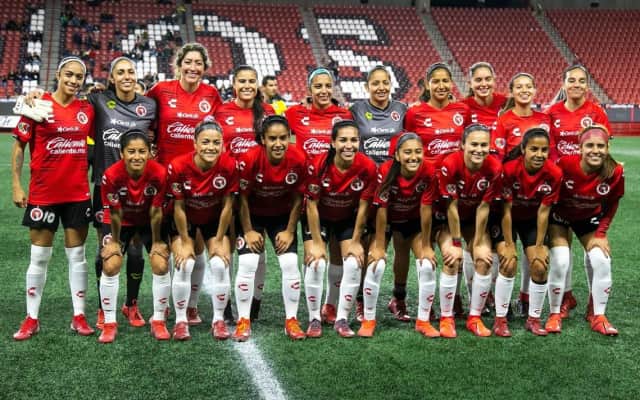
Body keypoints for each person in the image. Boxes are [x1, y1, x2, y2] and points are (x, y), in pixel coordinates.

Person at [13, 57, 96, 340]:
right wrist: (16, 185)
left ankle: (79, 316)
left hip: (77, 194)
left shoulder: (86, 109)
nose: (73, 80)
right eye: (69, 75)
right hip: (43, 194)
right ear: (58, 74)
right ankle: (31, 318)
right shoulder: (38, 104)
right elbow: (19, 147)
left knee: (78, 257)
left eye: (79, 77)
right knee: (39, 257)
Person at [147, 43, 223, 325]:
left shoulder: (211, 94)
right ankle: (164, 304)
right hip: (165, 180)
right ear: (178, 65)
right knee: (166, 246)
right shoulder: (160, 90)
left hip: (198, 183)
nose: (193, 67)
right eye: (188, 62)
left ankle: (190, 305)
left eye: (198, 63)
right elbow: (139, 112)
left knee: (197, 247)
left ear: (205, 67)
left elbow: (221, 131)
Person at [403, 62, 471, 319]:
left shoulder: (462, 110)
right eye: (436, 81)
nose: (441, 86)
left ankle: (454, 297)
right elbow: (408, 148)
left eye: (445, 81)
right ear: (427, 84)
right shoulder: (415, 113)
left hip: (453, 188)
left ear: (451, 83)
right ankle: (427, 302)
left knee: (453, 241)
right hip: (424, 187)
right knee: (426, 244)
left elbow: (467, 146)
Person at [285, 67, 352, 326]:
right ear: (309, 89)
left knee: (337, 252)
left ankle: (330, 304)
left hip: (338, 194)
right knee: (314, 254)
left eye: (327, 86)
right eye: (318, 86)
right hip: (309, 195)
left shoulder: (344, 115)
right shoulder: (295, 114)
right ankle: (312, 309)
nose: (323, 91)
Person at [233, 115, 307, 341]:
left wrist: (290, 231)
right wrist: (248, 230)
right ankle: (243, 320)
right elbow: (241, 199)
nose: (278, 143)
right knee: (248, 262)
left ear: (289, 138)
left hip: (281, 217)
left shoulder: (298, 158)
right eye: (272, 138)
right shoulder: (249, 159)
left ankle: (291, 320)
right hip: (252, 216)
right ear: (263, 139)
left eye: (283, 138)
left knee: (290, 263)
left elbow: (299, 198)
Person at [546, 65, 612, 318]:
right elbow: (549, 151)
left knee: (593, 246)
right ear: (563, 84)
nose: (576, 84)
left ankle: (595, 304)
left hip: (588, 193)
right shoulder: (552, 112)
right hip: (561, 190)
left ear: (587, 85)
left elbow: (603, 152)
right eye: (571, 80)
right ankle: (567, 296)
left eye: (581, 81)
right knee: (562, 250)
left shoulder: (596, 112)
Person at [303, 120, 377, 338]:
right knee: (316, 262)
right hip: (319, 218)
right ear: (333, 142)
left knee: (354, 262)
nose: (349, 145)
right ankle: (314, 318)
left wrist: (355, 241)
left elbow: (364, 207)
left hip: (347, 218)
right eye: (343, 140)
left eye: (354, 140)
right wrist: (317, 243)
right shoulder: (318, 165)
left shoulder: (367, 167)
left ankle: (341, 318)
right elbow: (312, 206)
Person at [166, 117, 237, 340]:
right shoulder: (178, 166)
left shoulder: (229, 165)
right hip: (185, 219)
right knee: (184, 263)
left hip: (213, 218)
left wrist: (219, 239)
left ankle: (218, 320)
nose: (211, 147)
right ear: (195, 144)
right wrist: (185, 240)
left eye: (216, 143)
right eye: (205, 142)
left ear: (222, 144)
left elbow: (227, 206)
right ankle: (180, 321)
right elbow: (178, 208)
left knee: (220, 263)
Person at [547, 125, 622, 336]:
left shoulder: (615, 171)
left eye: (600, 146)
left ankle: (597, 315)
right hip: (559, 218)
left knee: (602, 259)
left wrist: (601, 233)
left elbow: (613, 203)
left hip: (588, 219)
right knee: (561, 260)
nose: (595, 150)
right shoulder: (564, 165)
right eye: (589, 145)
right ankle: (554, 313)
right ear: (580, 148)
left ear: (607, 148)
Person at [98, 130, 171, 343]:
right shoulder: (111, 175)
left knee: (161, 264)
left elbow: (156, 211)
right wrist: (114, 242)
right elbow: (115, 212)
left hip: (148, 220)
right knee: (111, 264)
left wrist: (157, 241)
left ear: (149, 152)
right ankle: (109, 323)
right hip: (121, 220)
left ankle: (158, 321)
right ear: (122, 153)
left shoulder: (159, 173)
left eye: (142, 151)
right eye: (131, 152)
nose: (137, 156)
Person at [215, 65, 275, 321]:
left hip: (258, 190)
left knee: (257, 248)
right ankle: (227, 302)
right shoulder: (221, 111)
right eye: (242, 81)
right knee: (227, 248)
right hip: (229, 189)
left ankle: (255, 301)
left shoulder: (268, 112)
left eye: (252, 81)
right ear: (234, 84)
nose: (247, 85)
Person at [365, 132, 438, 338]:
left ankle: (423, 320)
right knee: (376, 264)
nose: (413, 157)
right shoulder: (386, 170)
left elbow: (426, 209)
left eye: (418, 152)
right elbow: (381, 209)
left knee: (427, 264)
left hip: (413, 220)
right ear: (397, 155)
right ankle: (369, 319)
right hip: (387, 220)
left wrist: (426, 245)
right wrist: (379, 245)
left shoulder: (429, 170)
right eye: (408, 152)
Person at [349, 65, 407, 322]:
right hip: (367, 186)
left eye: (385, 83)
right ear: (367, 86)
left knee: (399, 245)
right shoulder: (356, 110)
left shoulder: (402, 110)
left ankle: (398, 298)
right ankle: (361, 300)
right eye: (376, 83)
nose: (381, 87)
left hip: (395, 187)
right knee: (366, 244)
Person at [436, 124, 502, 337]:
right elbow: (451, 207)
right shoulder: (450, 164)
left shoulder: (494, 167)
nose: (479, 150)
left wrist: (478, 243)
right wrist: (456, 243)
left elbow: (484, 207)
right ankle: (446, 318)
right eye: (474, 144)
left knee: (484, 259)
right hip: (447, 219)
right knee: (452, 258)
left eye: (484, 145)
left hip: (474, 219)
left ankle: (475, 317)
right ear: (462, 145)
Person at [498, 128, 562, 337]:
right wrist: (509, 245)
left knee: (540, 265)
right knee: (509, 262)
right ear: (523, 149)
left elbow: (544, 212)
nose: (539, 154)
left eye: (544, 150)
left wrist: (541, 245)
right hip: (507, 218)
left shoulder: (554, 173)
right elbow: (506, 211)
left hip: (531, 220)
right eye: (534, 149)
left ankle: (533, 319)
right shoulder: (509, 170)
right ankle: (500, 320)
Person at [494, 73, 551, 158]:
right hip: (513, 165)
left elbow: (551, 150)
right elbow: (498, 155)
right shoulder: (502, 120)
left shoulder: (545, 119)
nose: (524, 90)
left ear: (534, 91)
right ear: (512, 92)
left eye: (529, 87)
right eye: (519, 87)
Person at [463, 62, 507, 132]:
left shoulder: (505, 103)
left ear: (494, 81)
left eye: (488, 79)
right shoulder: (462, 107)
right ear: (470, 84)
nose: (484, 84)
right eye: (478, 80)